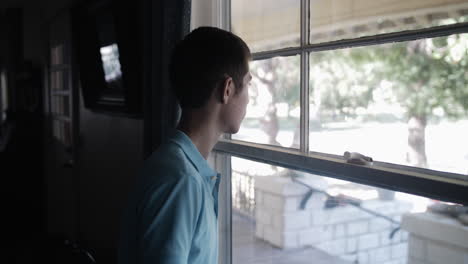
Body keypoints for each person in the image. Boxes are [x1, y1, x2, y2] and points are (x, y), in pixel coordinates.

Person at [117, 27, 252, 264]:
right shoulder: (181, 181)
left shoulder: (174, 165)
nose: (250, 97)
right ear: (227, 89)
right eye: (248, 84)